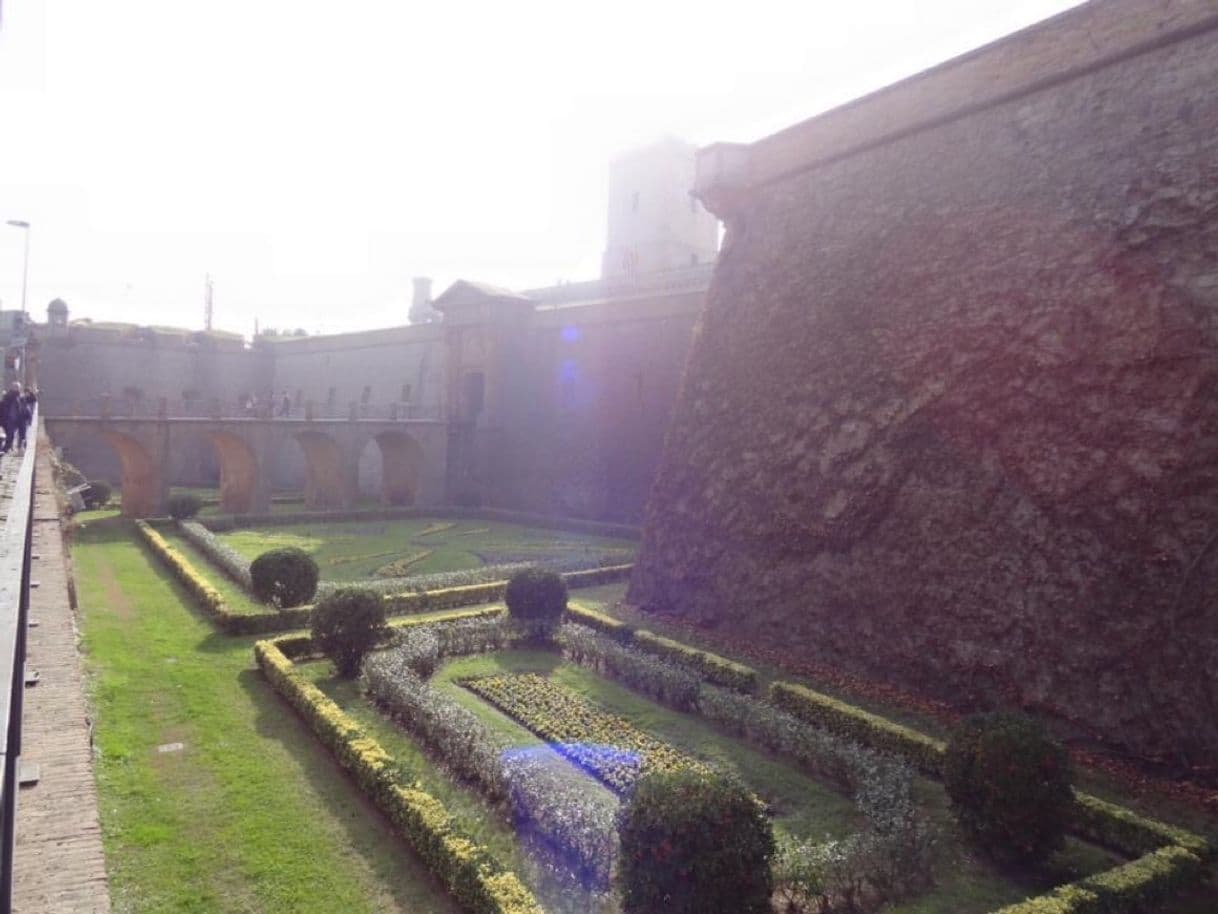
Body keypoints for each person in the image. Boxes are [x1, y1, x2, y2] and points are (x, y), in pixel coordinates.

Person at [0, 383, 23, 453]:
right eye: (17, 388)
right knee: (10, 435)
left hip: (11, 419)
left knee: (10, 435)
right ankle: (5, 449)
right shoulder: (11, 396)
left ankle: (6, 448)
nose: (18, 389)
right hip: (8, 419)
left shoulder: (15, 396)